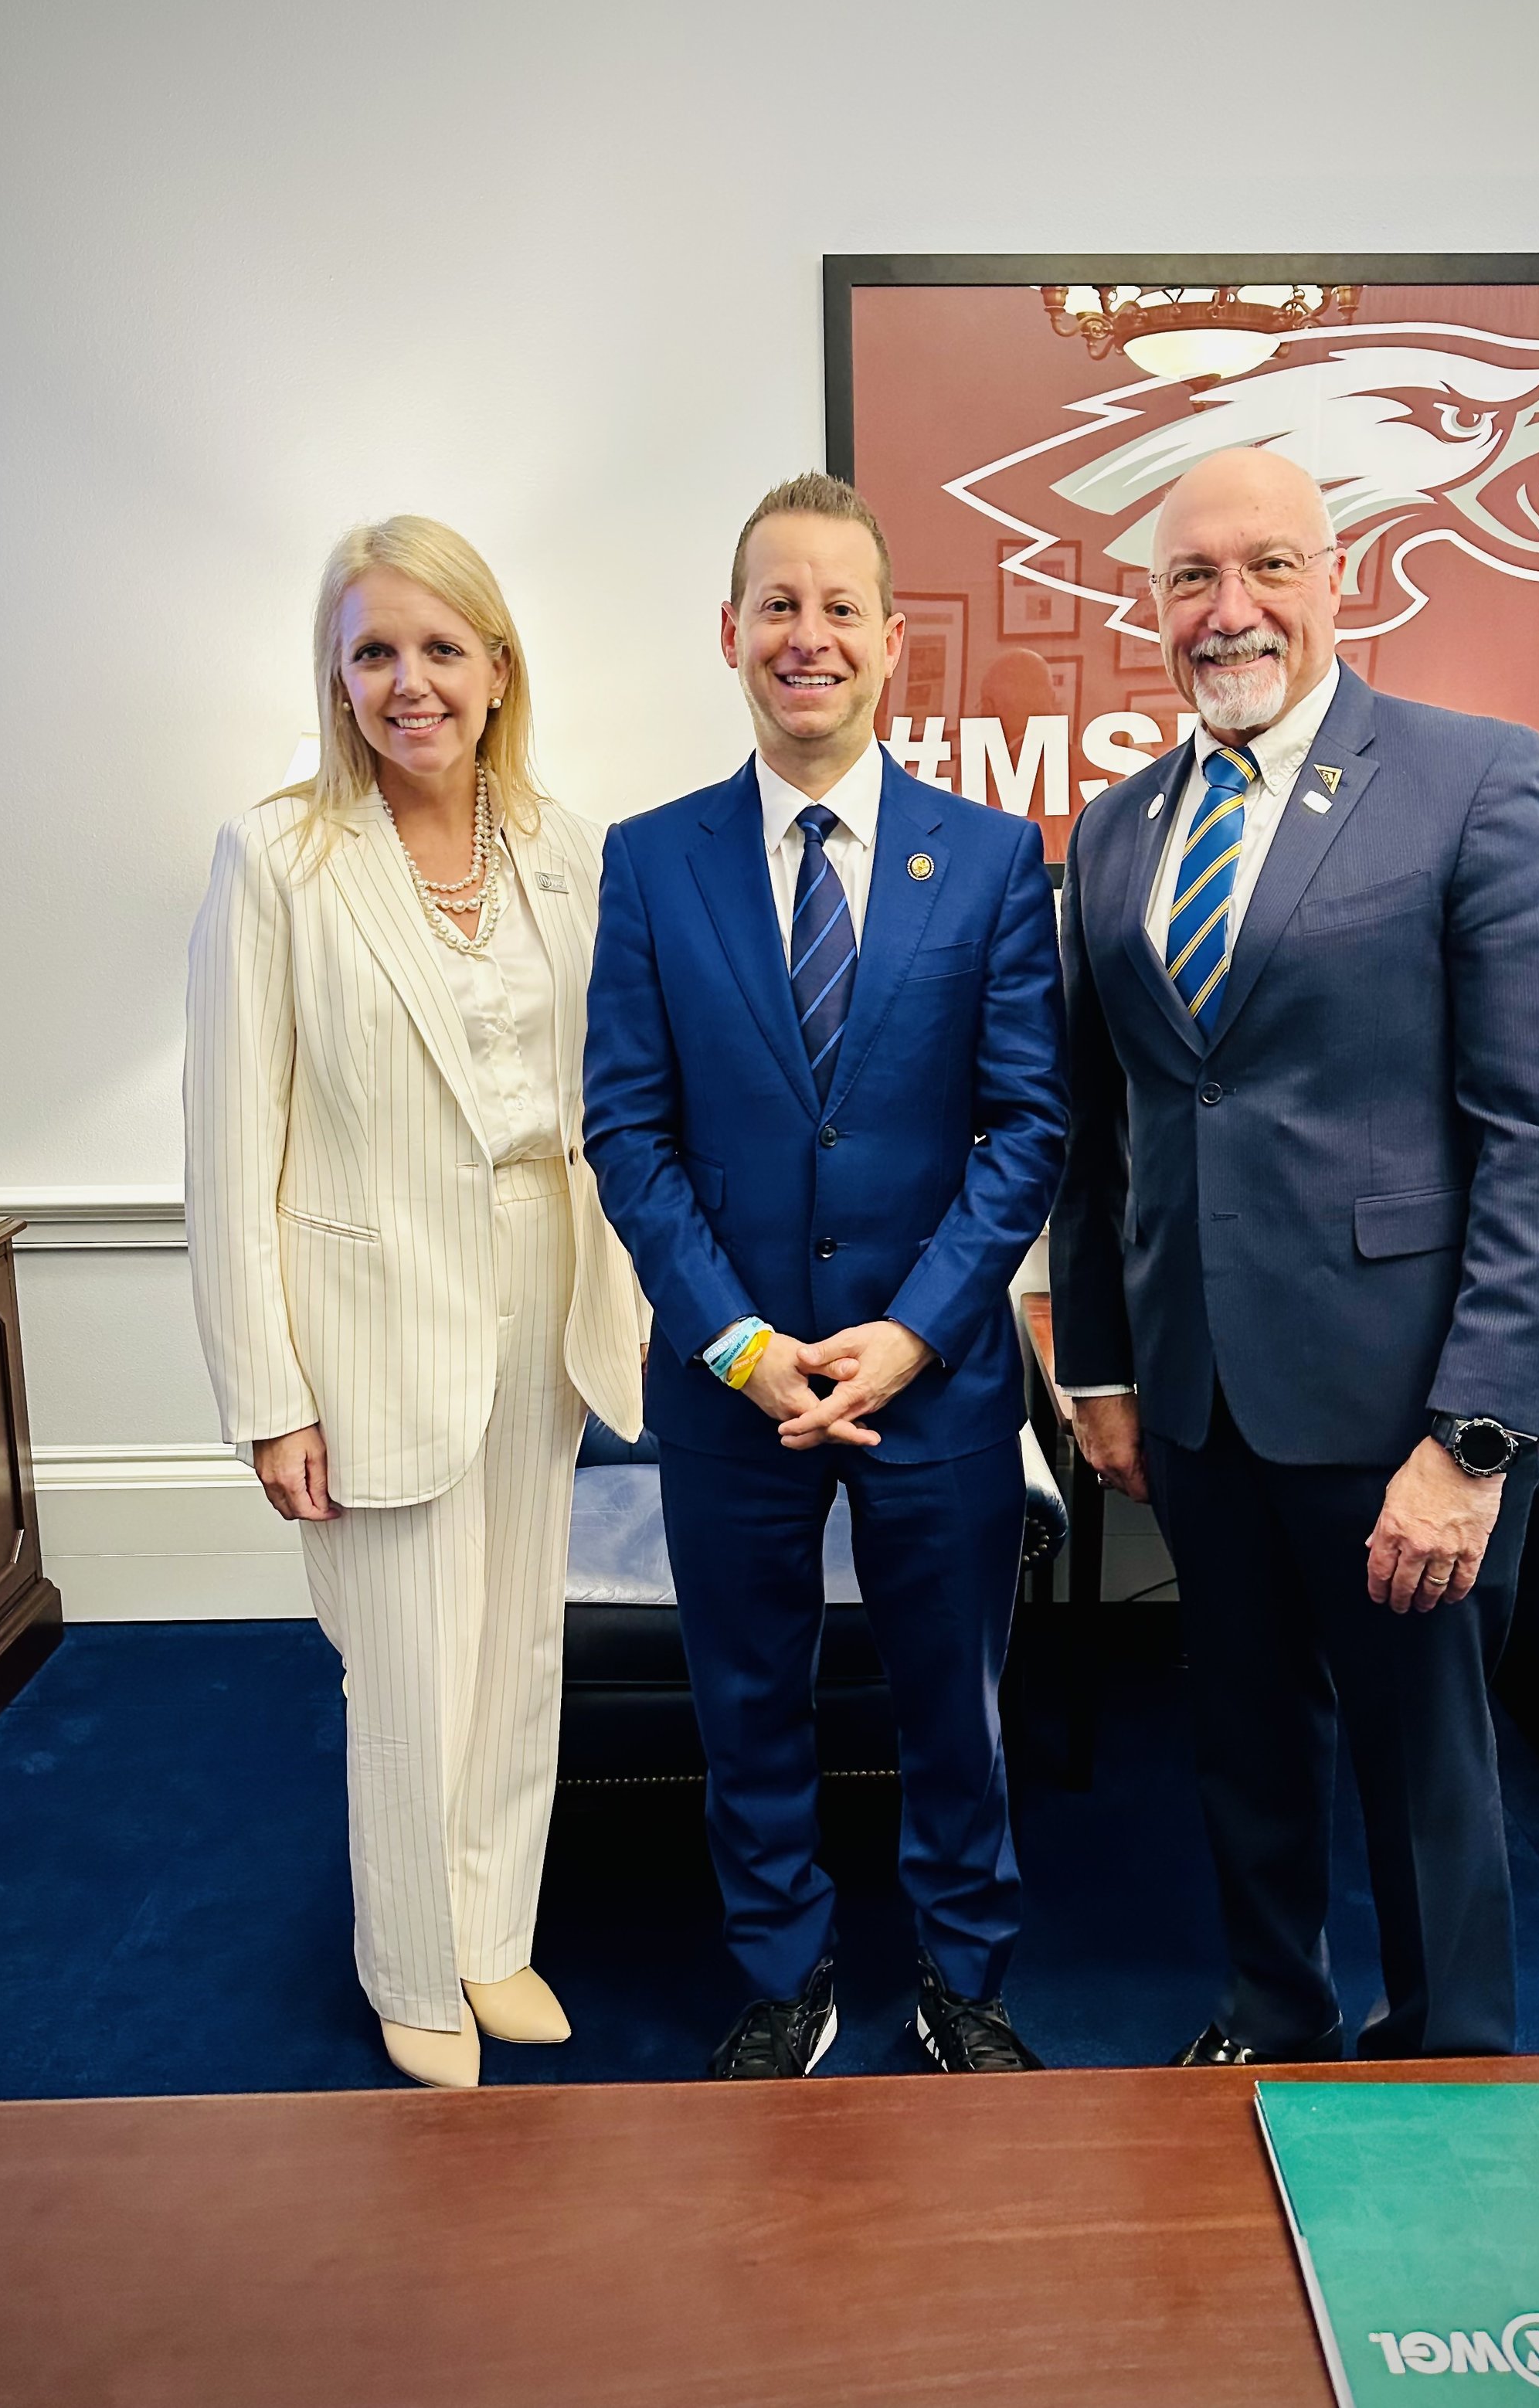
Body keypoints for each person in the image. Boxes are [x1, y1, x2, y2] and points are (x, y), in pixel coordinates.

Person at [1051, 447, 1539, 2062]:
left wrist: (1473, 1437)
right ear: (1148, 604)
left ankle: (1451, 2052)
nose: (1226, 609)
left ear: (1337, 579)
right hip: (1197, 1397)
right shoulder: (1110, 832)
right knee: (1237, 1736)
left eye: (1267, 567)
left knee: (1424, 1762)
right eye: (1187, 577)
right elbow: (1108, 1129)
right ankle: (1274, 2009)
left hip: (1400, 1412)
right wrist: (1098, 1360)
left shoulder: (1471, 777)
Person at [583, 473, 1067, 2077]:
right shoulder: (650, 862)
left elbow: (1023, 1126)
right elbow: (626, 1128)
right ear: (730, 635)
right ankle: (784, 1971)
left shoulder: (992, 861)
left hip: (930, 1383)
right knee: (747, 1698)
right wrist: (734, 1340)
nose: (808, 635)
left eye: (837, 606)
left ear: (890, 642)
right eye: (776, 605)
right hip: (730, 1389)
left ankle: (963, 1973)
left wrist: (912, 1334)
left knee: (953, 1702)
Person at [185, 515, 644, 2088]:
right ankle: (410, 1969)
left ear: (500, 671)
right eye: (375, 649)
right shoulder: (281, 859)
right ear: (336, 672)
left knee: (520, 1640)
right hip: (368, 1314)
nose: (409, 681)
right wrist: (269, 1393)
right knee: (402, 1660)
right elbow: (229, 1142)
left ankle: (491, 1931)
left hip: (546, 1282)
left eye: (441, 648)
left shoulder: (572, 852)